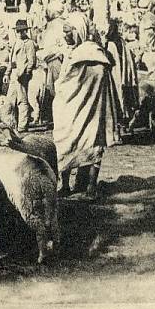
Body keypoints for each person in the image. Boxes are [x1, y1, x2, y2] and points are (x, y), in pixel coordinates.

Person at [52, 14, 118, 199]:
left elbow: (66, 83)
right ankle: (78, 185)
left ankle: (82, 186)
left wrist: (63, 89)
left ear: (78, 31)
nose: (65, 36)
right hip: (80, 109)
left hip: (86, 108)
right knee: (80, 142)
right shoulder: (93, 54)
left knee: (79, 142)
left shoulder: (83, 55)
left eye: (68, 32)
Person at [103, 18, 139, 133]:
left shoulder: (110, 44)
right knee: (123, 99)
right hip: (124, 76)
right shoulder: (122, 42)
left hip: (114, 75)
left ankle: (117, 129)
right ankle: (124, 126)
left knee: (115, 99)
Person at [4, 19, 38, 132]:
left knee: (22, 100)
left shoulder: (29, 44)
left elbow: (31, 61)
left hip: (21, 74)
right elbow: (11, 61)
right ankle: (10, 123)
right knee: (10, 100)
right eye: (18, 31)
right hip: (14, 73)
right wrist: (7, 73)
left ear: (25, 31)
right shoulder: (16, 42)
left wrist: (26, 73)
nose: (19, 33)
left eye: (22, 31)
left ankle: (22, 126)